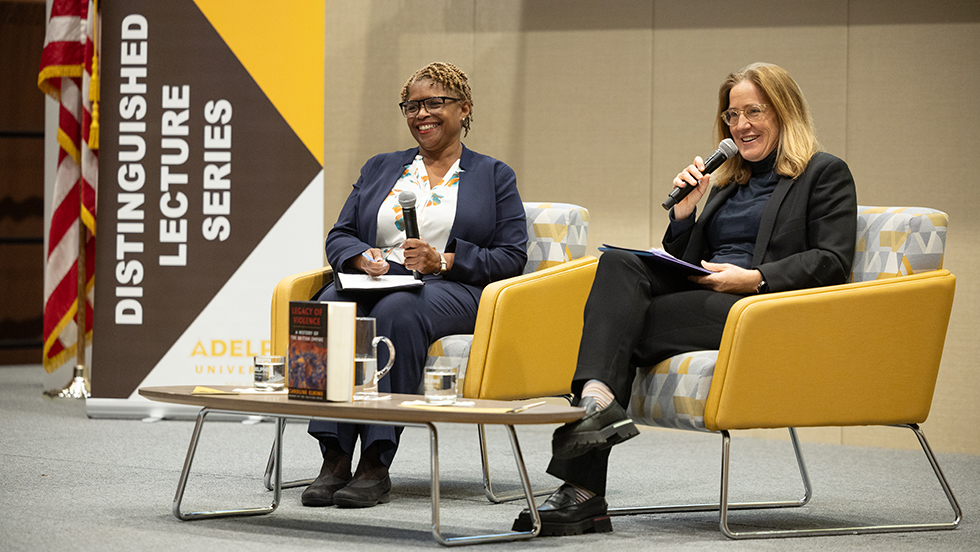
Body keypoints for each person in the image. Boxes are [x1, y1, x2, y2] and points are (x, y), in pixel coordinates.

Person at [514, 62, 857, 536]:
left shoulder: (824, 172)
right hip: (705, 295)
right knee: (616, 265)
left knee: (622, 327)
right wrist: (683, 215)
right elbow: (686, 258)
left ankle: (584, 486)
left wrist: (754, 277)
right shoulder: (727, 181)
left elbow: (832, 260)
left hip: (759, 309)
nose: (740, 126)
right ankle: (595, 404)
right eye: (731, 116)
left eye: (753, 112)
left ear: (784, 112)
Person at [302, 62, 528, 509]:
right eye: (412, 106)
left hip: (451, 288)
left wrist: (443, 259)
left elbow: (511, 256)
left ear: (464, 109)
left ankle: (375, 462)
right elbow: (341, 233)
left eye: (434, 103)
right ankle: (333, 454)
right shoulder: (382, 167)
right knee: (327, 306)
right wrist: (360, 257)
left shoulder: (493, 175)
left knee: (397, 310)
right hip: (373, 281)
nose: (421, 113)